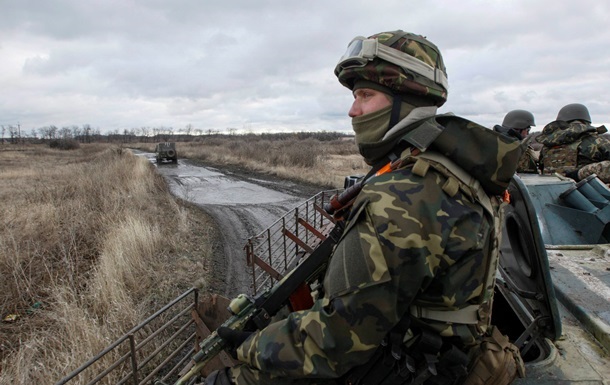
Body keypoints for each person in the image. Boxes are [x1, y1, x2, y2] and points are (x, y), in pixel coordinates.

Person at [206, 30, 524, 385]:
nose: (352, 109)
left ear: (407, 99)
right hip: (440, 360)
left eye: (366, 95)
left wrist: (251, 346)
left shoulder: (404, 192)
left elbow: (335, 341)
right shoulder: (452, 170)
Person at [536, 103, 610, 183]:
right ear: (586, 120)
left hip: (550, 191)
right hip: (586, 193)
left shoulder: (548, 145)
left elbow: (541, 168)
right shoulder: (598, 141)